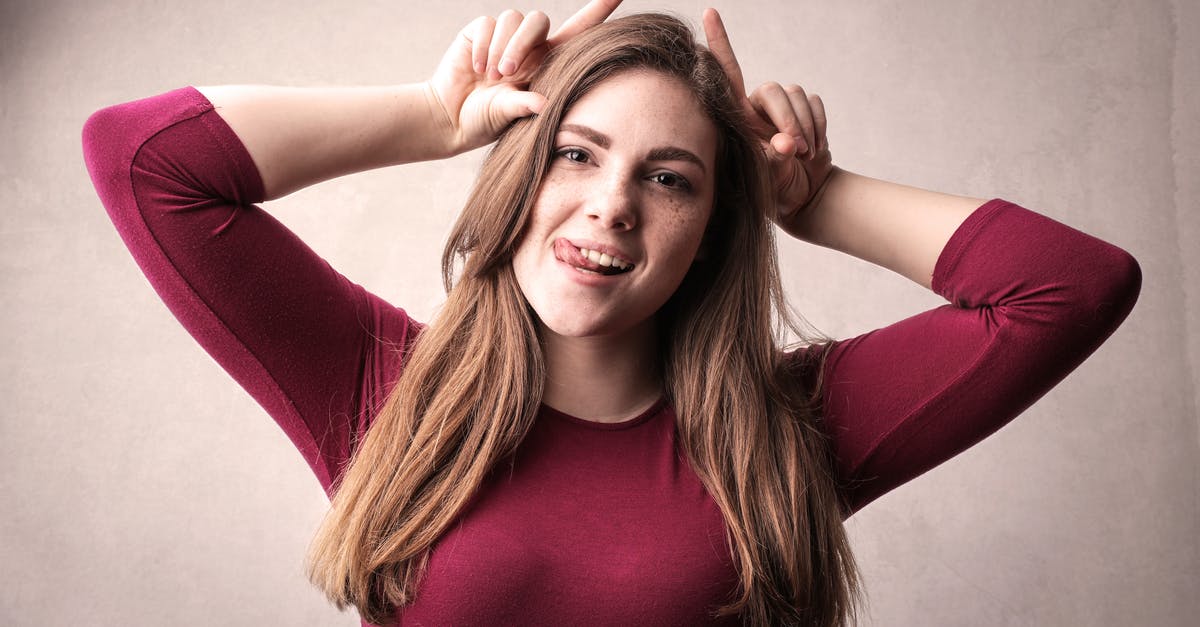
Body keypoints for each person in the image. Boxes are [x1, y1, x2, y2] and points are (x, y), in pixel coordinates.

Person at [81, 1, 1141, 625]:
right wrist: (431, 115)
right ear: (523, 175)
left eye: (671, 179)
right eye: (575, 155)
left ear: (714, 225)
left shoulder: (788, 433)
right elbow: (143, 160)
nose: (611, 207)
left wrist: (811, 198)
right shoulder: (387, 392)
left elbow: (1072, 286)